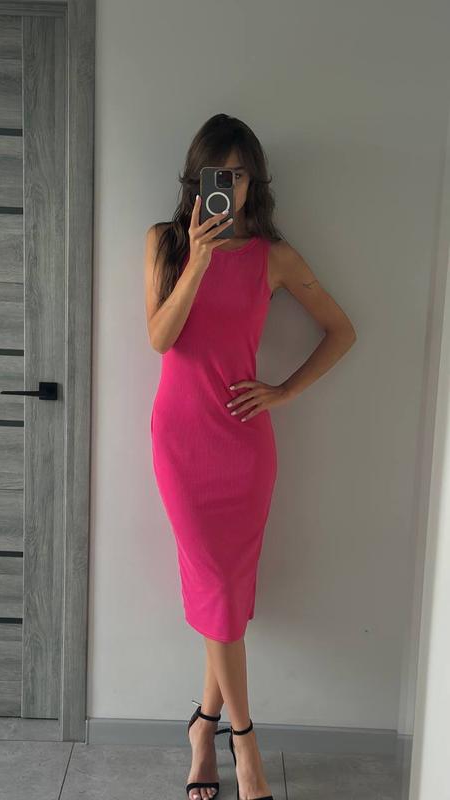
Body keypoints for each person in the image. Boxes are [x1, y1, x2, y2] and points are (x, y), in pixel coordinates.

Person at [144, 113, 357, 800]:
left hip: (244, 448)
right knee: (218, 592)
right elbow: (160, 338)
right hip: (181, 445)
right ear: (196, 176)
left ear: (253, 183)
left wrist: (284, 391)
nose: (228, 186)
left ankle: (203, 728)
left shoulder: (274, 257)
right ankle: (245, 744)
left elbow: (341, 330)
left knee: (226, 599)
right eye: (219, 173)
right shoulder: (164, 242)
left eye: (239, 176)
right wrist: (199, 260)